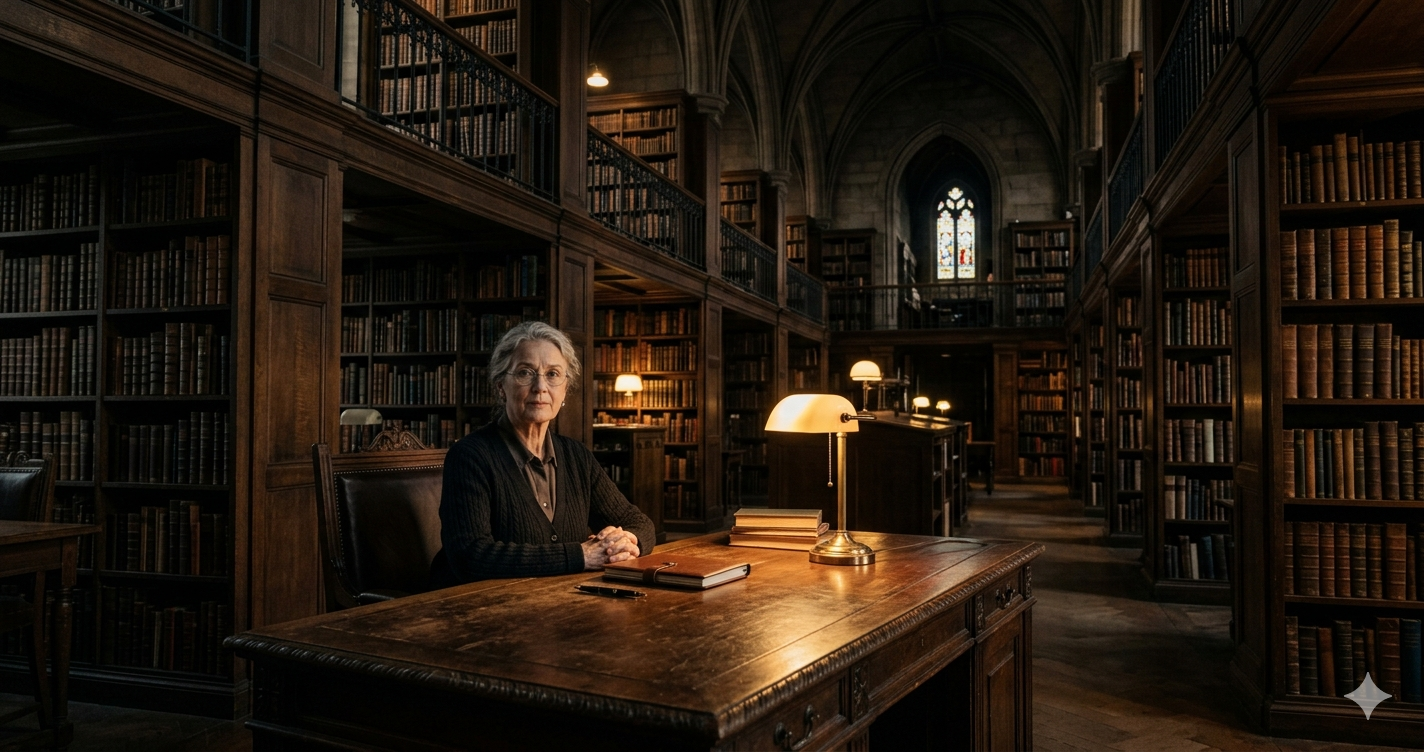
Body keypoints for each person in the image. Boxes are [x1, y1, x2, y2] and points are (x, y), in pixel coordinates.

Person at [429, 321, 656, 587]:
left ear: (564, 391)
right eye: (526, 372)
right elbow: (470, 556)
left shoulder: (576, 457)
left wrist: (627, 541)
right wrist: (581, 555)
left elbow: (639, 522)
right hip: (478, 610)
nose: (540, 386)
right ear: (501, 385)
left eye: (552, 374)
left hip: (557, 603)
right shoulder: (469, 456)